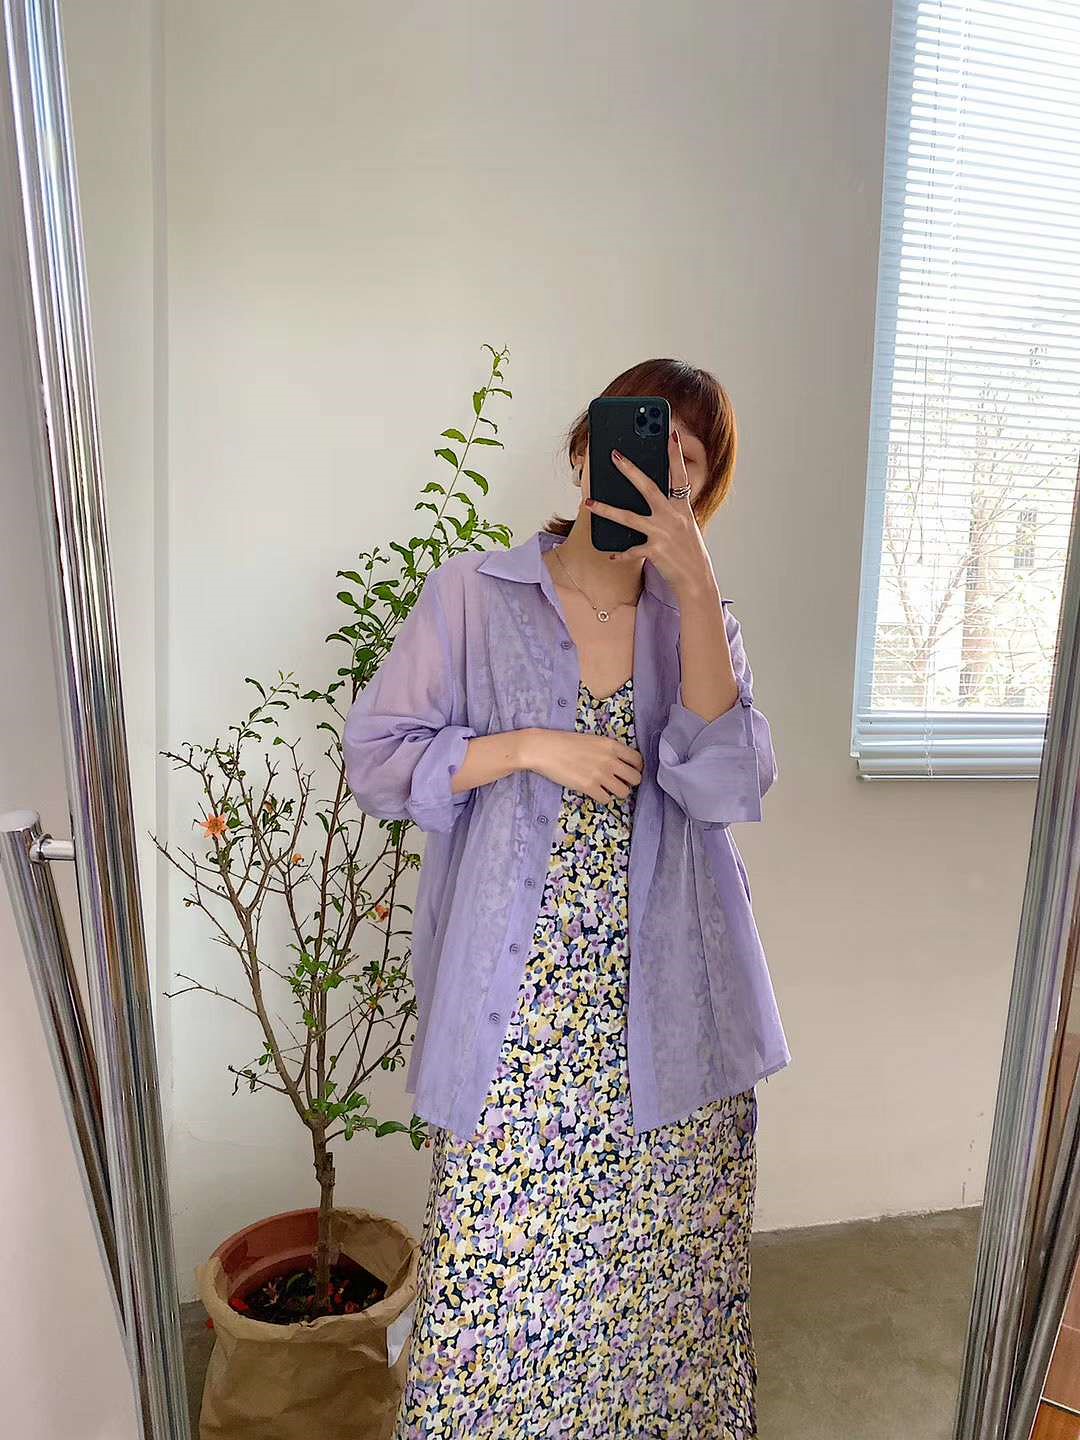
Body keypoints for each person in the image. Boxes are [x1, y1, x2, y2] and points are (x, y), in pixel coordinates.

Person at [343, 358, 788, 1438]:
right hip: (519, 1022)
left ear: (700, 495)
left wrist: (695, 590)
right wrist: (530, 746)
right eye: (640, 439)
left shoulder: (699, 622)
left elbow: (726, 787)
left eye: (686, 461)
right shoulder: (472, 595)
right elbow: (379, 761)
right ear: (586, 452)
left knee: (666, 1293)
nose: (657, 469)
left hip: (672, 1013)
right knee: (498, 1291)